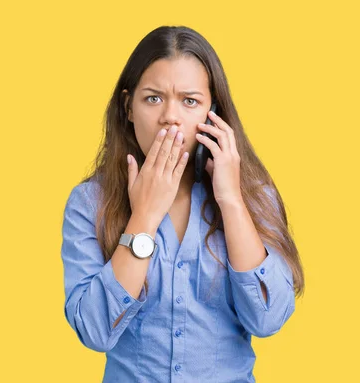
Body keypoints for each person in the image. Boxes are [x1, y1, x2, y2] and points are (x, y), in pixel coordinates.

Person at [60, 25, 305, 382]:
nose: (170, 117)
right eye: (153, 98)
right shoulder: (88, 203)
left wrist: (231, 199)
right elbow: (95, 332)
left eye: (190, 101)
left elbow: (269, 319)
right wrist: (142, 218)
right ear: (128, 107)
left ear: (212, 113)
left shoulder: (253, 195)